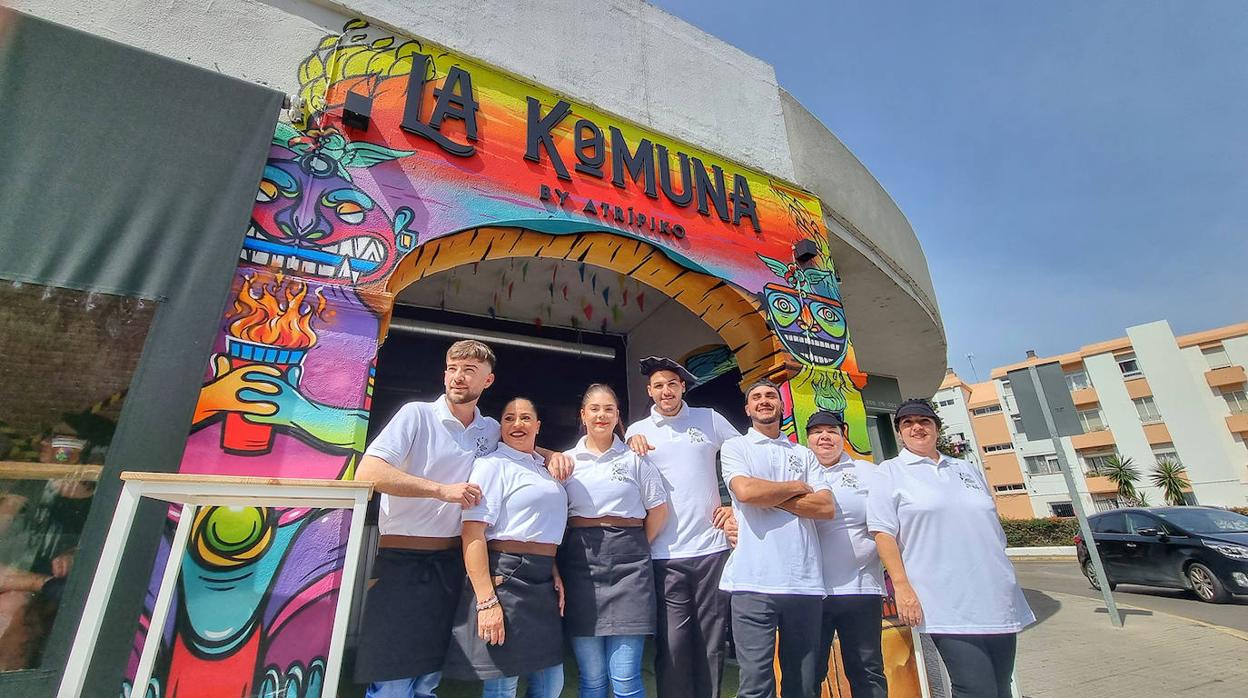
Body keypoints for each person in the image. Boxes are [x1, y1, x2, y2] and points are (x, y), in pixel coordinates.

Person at [354, 340, 571, 698]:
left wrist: (552, 455)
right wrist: (441, 490)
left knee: (428, 679)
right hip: (404, 562)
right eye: (452, 368)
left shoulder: (488, 430)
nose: (458, 377)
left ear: (487, 381)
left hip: (454, 564)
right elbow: (368, 474)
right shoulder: (415, 414)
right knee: (392, 678)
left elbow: (518, 445)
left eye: (469, 370)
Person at [867, 399, 1035, 698]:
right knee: (974, 688)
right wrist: (902, 587)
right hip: (945, 599)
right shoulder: (889, 472)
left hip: (995, 594)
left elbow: (991, 525)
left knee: (1001, 687)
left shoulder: (965, 469)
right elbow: (883, 533)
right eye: (908, 423)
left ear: (936, 428)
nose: (917, 427)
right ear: (899, 433)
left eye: (924, 421)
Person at [624, 356, 740, 698]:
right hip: (663, 552)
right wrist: (631, 450)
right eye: (658, 386)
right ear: (650, 391)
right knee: (672, 642)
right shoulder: (637, 432)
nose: (666, 391)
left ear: (682, 387)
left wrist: (735, 505)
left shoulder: (709, 420)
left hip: (712, 549)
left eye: (672, 384)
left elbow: (741, 459)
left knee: (712, 640)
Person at [444, 397, 568, 698]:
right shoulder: (492, 465)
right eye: (509, 418)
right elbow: (472, 533)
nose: (517, 424)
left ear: (538, 426)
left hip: (541, 580)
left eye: (525, 418)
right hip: (508, 577)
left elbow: (539, 524)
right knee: (503, 686)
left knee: (550, 685)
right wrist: (486, 602)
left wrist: (553, 569)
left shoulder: (543, 468)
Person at [719, 380, 836, 698]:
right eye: (756, 397)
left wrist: (765, 495)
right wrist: (798, 486)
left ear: (782, 405)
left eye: (770, 396)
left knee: (803, 684)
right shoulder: (735, 447)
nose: (764, 401)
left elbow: (825, 508)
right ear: (747, 409)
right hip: (751, 582)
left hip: (804, 583)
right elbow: (744, 491)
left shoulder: (804, 454)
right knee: (756, 684)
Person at [559, 384, 669, 698]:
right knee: (592, 678)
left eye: (609, 408)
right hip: (581, 566)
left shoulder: (637, 459)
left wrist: (637, 546)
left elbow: (658, 510)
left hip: (631, 568)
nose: (602, 415)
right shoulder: (567, 462)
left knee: (624, 677)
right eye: (594, 408)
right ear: (583, 415)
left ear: (618, 415)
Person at [805, 411, 888, 698]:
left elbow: (887, 526)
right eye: (817, 432)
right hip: (810, 592)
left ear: (843, 435)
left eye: (831, 431)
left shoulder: (869, 473)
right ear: (808, 438)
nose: (824, 437)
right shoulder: (797, 473)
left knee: (866, 670)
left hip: (861, 588)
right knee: (808, 672)